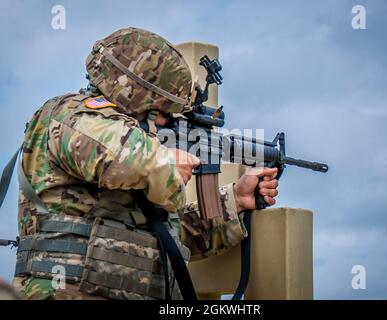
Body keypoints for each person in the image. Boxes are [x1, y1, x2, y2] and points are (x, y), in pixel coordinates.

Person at [12, 27, 278, 300]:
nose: (166, 123)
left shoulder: (140, 159)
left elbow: (163, 243)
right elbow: (117, 155)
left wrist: (234, 201)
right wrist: (164, 163)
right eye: (164, 114)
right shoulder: (68, 113)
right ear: (139, 100)